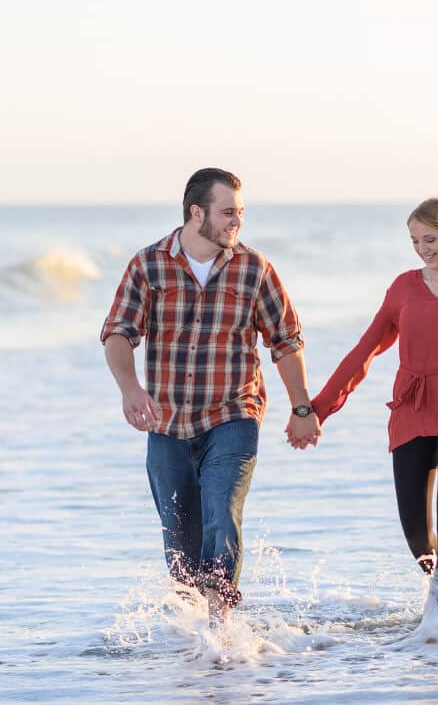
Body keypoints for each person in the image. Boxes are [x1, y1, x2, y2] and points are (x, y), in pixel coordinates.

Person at [101, 167, 319, 618]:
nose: (235, 222)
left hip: (233, 414)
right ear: (196, 212)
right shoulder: (148, 265)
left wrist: (302, 407)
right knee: (179, 542)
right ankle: (192, 634)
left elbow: (286, 342)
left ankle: (221, 629)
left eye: (239, 212)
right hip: (167, 423)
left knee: (221, 514)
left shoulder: (254, 269)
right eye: (227, 213)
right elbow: (118, 333)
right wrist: (130, 389)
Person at [310, 197, 438, 618]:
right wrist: (318, 408)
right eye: (415, 241)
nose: (423, 249)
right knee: (417, 533)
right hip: (411, 409)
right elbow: (365, 350)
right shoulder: (403, 287)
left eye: (431, 239)